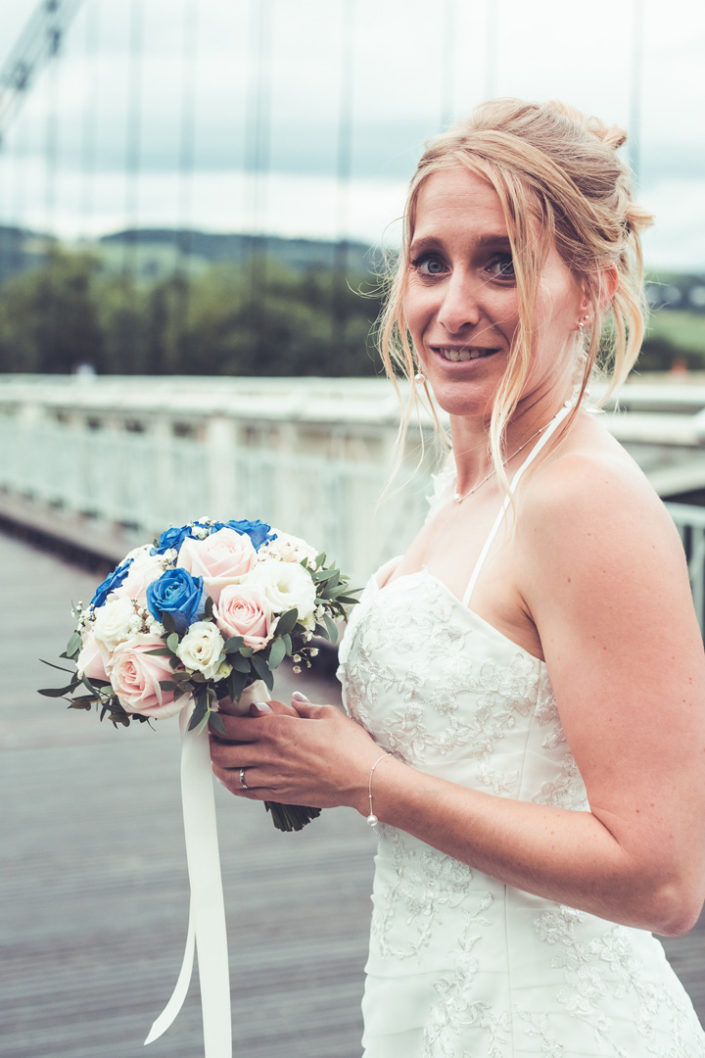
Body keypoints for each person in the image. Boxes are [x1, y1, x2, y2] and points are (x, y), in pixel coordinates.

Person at [210, 98, 705, 1056]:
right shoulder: (466, 481)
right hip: (431, 1006)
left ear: (592, 288)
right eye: (430, 261)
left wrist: (371, 783)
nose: (453, 306)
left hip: (546, 1022)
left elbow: (663, 879)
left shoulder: (582, 504)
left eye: (502, 265)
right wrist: (307, 751)